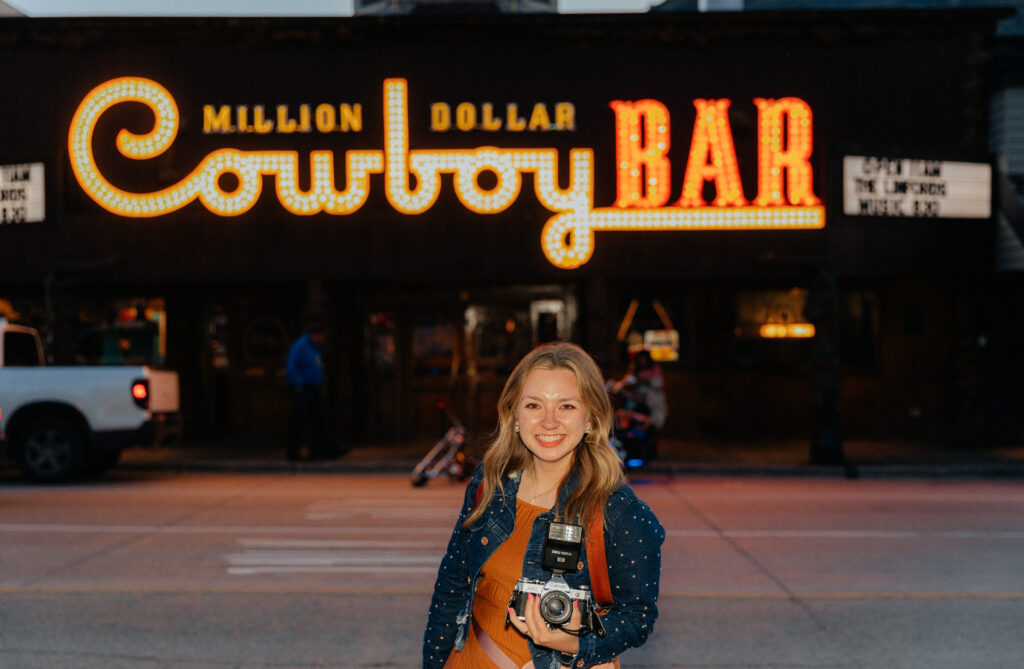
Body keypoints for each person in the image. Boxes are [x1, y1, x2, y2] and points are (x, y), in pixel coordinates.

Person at [423, 342, 665, 669]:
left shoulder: (619, 512)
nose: (549, 422)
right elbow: (450, 590)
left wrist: (575, 643)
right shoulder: (490, 483)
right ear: (515, 415)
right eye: (534, 405)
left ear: (591, 418)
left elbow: (637, 618)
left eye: (566, 406)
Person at [285, 324, 343, 461]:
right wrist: (298, 384)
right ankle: (293, 454)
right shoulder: (300, 346)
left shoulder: (315, 347)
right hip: (303, 388)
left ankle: (321, 451)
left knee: (319, 420)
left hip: (314, 387)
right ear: (315, 335)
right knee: (298, 422)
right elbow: (291, 366)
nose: (323, 339)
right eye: (322, 336)